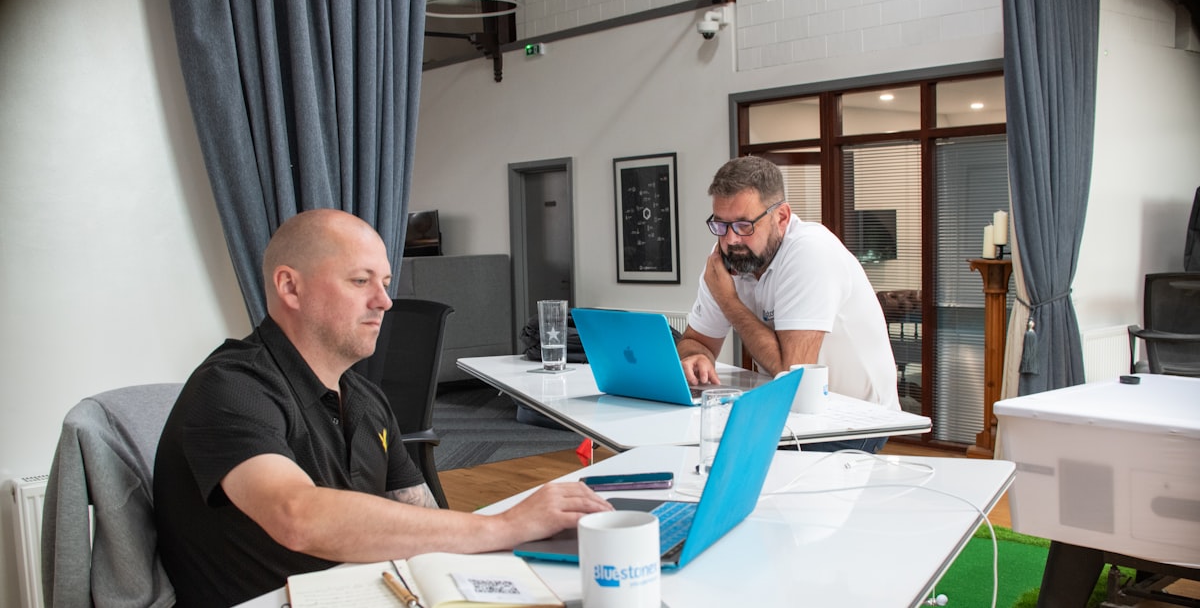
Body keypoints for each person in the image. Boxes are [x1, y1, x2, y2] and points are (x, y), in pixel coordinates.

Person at [153, 209, 612, 607]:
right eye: (360, 281)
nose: (384, 301)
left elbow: (428, 522)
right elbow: (297, 515)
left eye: (386, 283)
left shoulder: (366, 400)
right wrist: (502, 526)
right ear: (290, 287)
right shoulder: (230, 388)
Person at [676, 156, 901, 453]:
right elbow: (694, 341)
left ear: (781, 217)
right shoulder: (734, 255)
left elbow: (792, 372)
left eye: (744, 225)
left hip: (855, 417)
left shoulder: (810, 251)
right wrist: (696, 358)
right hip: (793, 409)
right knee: (700, 446)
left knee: (741, 462)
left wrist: (728, 301)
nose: (730, 239)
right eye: (721, 225)